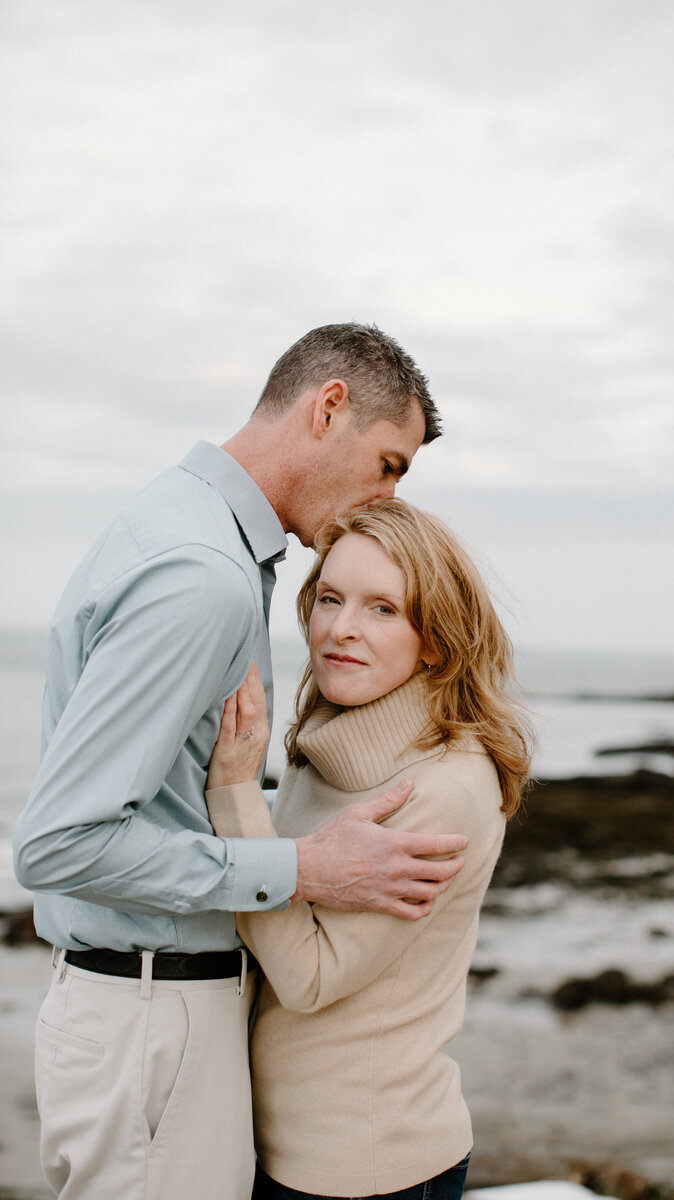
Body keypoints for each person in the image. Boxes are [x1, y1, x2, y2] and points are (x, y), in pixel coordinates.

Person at [13, 324, 470, 1200]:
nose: (384, 498)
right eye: (389, 464)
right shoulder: (205, 573)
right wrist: (300, 866)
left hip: (138, 1017)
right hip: (154, 1021)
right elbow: (57, 843)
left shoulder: (176, 520)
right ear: (328, 408)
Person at [205, 499, 533, 1200]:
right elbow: (291, 872)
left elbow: (310, 977)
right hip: (273, 1144)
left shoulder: (446, 787)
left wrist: (234, 792)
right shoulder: (327, 737)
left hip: (363, 1166)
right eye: (330, 598)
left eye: (383, 608)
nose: (341, 630)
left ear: (436, 639)